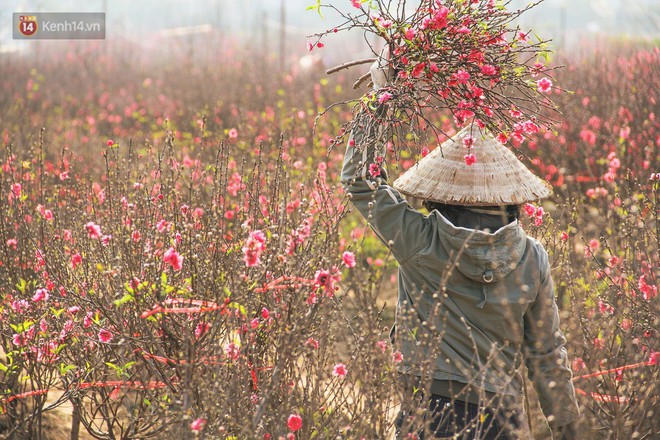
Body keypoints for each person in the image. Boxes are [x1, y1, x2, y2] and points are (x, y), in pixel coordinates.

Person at [340, 59, 580, 439]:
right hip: (502, 418)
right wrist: (568, 429)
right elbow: (547, 354)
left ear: (440, 198)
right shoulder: (532, 257)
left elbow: (360, 180)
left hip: (429, 411)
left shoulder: (419, 240)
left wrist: (379, 100)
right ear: (510, 199)